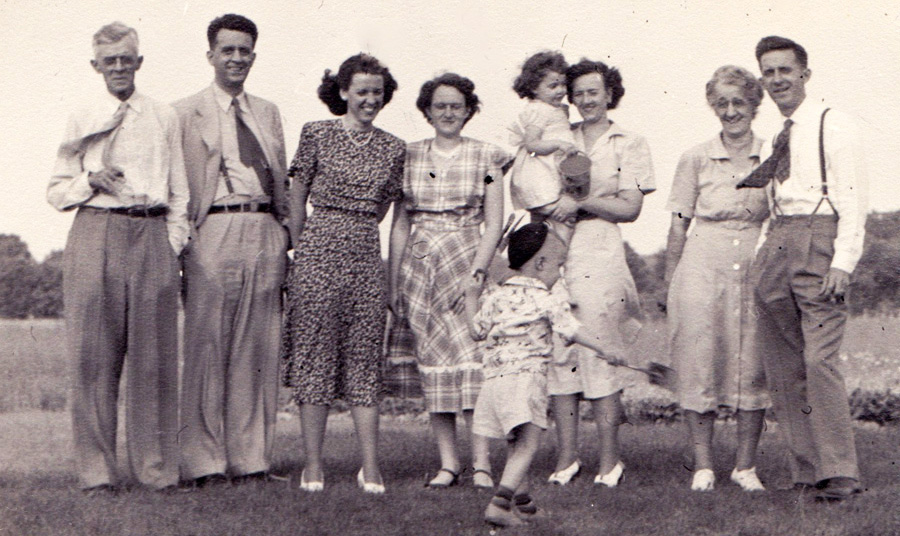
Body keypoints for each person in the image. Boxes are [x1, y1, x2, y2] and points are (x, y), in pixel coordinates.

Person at [48, 22, 188, 494]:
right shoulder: (82, 115)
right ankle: (98, 474)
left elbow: (180, 189)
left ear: (139, 62)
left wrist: (170, 246)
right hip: (95, 231)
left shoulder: (164, 116)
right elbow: (56, 191)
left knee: (154, 361)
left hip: (151, 231)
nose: (119, 68)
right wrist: (91, 179)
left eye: (126, 59)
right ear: (96, 66)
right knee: (93, 358)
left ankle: (157, 472)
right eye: (109, 61)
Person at [736, 36, 867, 501]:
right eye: (768, 73)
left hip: (820, 237)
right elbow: (773, 204)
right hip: (777, 243)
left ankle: (841, 473)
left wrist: (844, 263)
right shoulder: (776, 135)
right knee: (783, 365)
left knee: (819, 359)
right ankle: (807, 471)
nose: (776, 81)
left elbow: (854, 200)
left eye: (784, 71)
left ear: (804, 75)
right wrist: (761, 260)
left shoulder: (833, 124)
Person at [174, 14, 290, 488]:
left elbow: (282, 177)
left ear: (254, 56)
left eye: (245, 51)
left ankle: (251, 460)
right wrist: (183, 243)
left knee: (257, 349)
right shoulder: (183, 112)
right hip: (212, 230)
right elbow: (176, 186)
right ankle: (203, 463)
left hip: (264, 229)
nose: (237, 58)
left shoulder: (267, 111)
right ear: (211, 55)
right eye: (228, 50)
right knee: (206, 348)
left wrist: (285, 235)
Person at [282, 54, 405, 494]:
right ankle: (312, 465)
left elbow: (386, 205)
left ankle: (370, 467)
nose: (370, 99)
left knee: (363, 356)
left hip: (365, 254)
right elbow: (296, 197)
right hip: (316, 251)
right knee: (315, 356)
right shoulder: (316, 132)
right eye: (362, 91)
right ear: (343, 92)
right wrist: (301, 249)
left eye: (377, 92)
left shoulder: (394, 147)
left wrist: (358, 226)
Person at [387, 73, 507, 489]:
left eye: (456, 105)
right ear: (427, 111)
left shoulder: (488, 159)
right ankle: (448, 464)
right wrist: (393, 280)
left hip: (466, 260)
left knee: (473, 368)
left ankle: (482, 464)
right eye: (440, 106)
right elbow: (400, 223)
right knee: (434, 366)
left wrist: (475, 276)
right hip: (420, 269)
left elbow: (494, 222)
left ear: (469, 110)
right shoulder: (409, 156)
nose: (448, 113)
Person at [543, 59, 655, 487]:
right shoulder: (558, 138)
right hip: (556, 246)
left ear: (610, 93)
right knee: (560, 348)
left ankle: (610, 462)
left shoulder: (629, 141)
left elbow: (630, 207)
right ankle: (567, 459)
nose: (586, 100)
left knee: (600, 348)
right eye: (580, 92)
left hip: (600, 246)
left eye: (595, 91)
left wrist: (583, 203)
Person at [467, 223, 622, 527]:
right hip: (526, 381)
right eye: (559, 266)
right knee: (527, 446)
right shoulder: (548, 299)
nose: (560, 274)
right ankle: (499, 505)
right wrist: (605, 349)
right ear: (539, 264)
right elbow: (573, 329)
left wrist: (471, 295)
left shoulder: (496, 297)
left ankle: (523, 506)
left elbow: (476, 331)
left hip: (494, 383)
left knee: (515, 443)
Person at [664, 66, 770, 492]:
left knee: (752, 363)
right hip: (701, 262)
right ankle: (704, 466)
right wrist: (672, 281)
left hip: (754, 261)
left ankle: (745, 466)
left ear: (754, 104)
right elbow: (677, 225)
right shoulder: (695, 157)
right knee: (699, 360)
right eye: (722, 103)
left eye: (739, 102)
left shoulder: (774, 153)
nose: (730, 111)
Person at [508, 51, 580, 240]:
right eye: (553, 86)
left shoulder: (552, 108)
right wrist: (558, 144)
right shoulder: (539, 109)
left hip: (552, 166)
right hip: (541, 166)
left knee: (546, 229)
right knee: (557, 219)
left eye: (563, 84)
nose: (560, 90)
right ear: (534, 88)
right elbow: (532, 144)